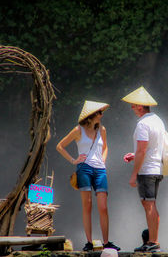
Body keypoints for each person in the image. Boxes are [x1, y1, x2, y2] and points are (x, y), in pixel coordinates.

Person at [56, 100, 120, 252]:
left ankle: (106, 242)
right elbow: (60, 146)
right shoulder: (78, 130)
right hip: (84, 168)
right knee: (87, 205)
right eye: (99, 112)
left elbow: (105, 147)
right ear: (91, 116)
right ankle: (89, 242)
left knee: (103, 207)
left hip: (100, 170)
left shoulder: (102, 130)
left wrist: (103, 160)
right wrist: (74, 160)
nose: (101, 114)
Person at [122, 86, 165, 252]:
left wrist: (134, 174)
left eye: (133, 105)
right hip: (156, 168)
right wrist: (135, 154)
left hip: (146, 170)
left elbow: (142, 150)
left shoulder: (143, 124)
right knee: (151, 204)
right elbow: (152, 147)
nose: (132, 108)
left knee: (149, 205)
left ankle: (153, 241)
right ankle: (152, 241)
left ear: (140, 106)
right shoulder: (158, 120)